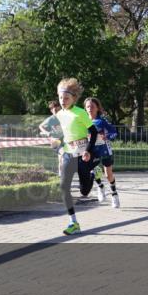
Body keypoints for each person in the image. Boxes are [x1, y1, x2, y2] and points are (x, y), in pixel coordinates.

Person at [54, 78, 98, 236]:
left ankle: (93, 173)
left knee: (85, 191)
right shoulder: (59, 114)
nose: (63, 101)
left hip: (83, 155)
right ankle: (73, 222)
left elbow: (93, 132)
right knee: (64, 187)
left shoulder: (80, 113)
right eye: (60, 98)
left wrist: (87, 150)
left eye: (66, 98)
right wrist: (58, 144)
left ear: (73, 97)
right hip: (68, 154)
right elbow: (62, 134)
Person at [84, 97, 120, 208]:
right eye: (88, 106)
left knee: (108, 175)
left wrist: (107, 136)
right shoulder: (83, 121)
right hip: (92, 150)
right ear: (85, 108)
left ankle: (114, 194)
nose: (90, 109)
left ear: (97, 108)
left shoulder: (102, 121)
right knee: (92, 171)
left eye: (92, 106)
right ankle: (100, 187)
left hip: (104, 149)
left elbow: (115, 132)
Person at [38, 101, 63, 176]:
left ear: (61, 108)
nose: (56, 111)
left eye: (57, 110)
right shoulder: (51, 119)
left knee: (63, 159)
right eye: (54, 110)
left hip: (66, 140)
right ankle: (61, 177)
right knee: (62, 157)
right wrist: (46, 132)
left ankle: (62, 175)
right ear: (51, 111)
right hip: (56, 140)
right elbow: (40, 126)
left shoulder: (66, 117)